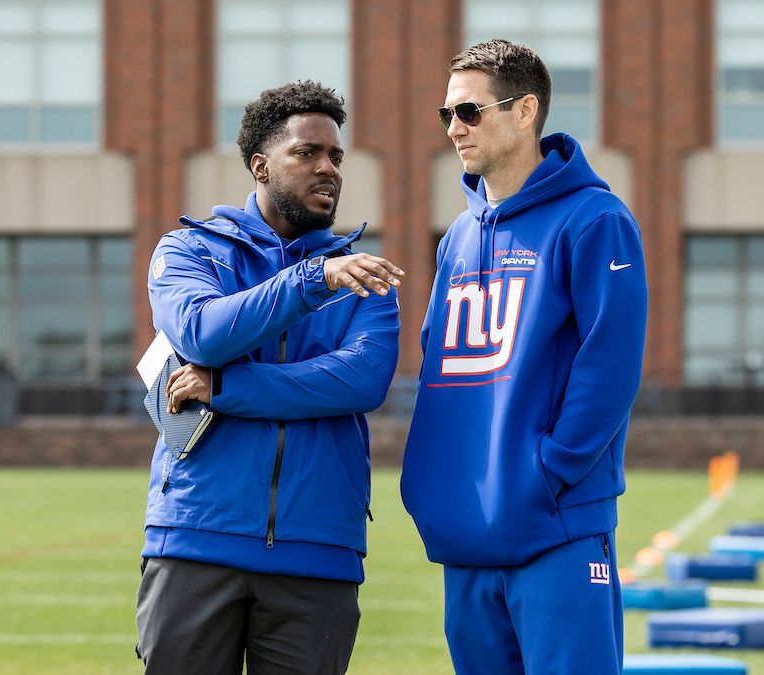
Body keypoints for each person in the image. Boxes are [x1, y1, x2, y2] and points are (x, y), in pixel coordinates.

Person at [135, 80, 403, 675]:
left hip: (319, 551)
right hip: (196, 539)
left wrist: (227, 388)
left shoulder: (365, 273)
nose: (327, 169)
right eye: (306, 153)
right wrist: (311, 282)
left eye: (335, 156)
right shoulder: (188, 251)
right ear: (260, 164)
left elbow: (359, 381)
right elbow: (203, 332)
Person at [400, 39, 648, 674]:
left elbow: (610, 364)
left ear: (525, 111)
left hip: (555, 527)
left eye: (471, 111)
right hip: (466, 531)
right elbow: (438, 362)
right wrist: (433, 486)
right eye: (447, 114)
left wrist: (551, 469)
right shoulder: (456, 236)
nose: (455, 127)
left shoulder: (595, 219)